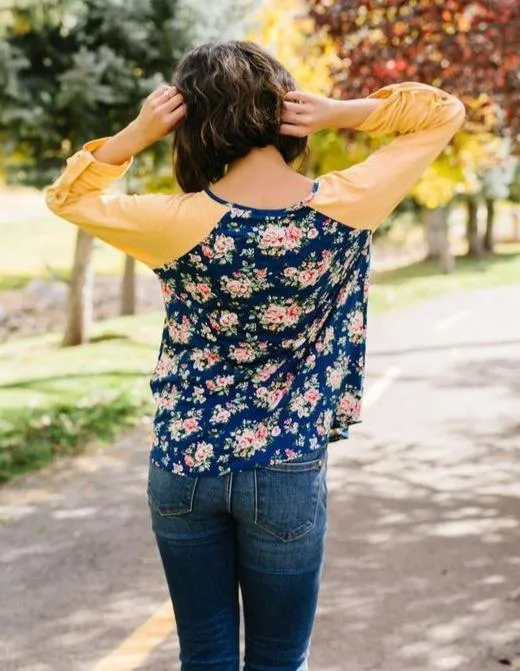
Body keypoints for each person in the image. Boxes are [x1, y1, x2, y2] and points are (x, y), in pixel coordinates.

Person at [46, 40, 465, 671]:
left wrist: (136, 133)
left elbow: (68, 198)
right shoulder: (348, 203)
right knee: (278, 661)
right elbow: (443, 113)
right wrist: (337, 113)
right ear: (283, 109)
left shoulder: (173, 221)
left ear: (188, 125)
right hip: (286, 465)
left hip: (185, 463)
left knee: (205, 658)